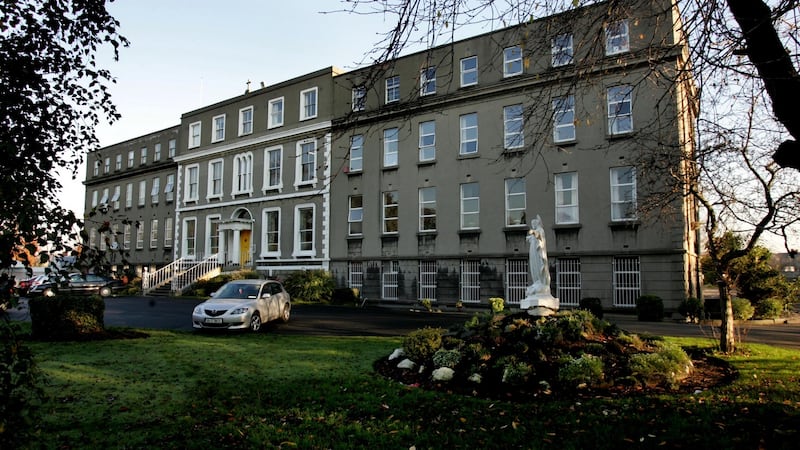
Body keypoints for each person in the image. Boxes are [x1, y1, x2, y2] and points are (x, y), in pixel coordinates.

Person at [526, 215, 550, 294]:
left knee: (538, 265)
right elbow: (533, 238)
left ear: (537, 223)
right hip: (533, 251)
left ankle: (541, 281)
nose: (533, 225)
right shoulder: (536, 230)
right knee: (533, 266)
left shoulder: (540, 230)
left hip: (538, 252)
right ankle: (536, 281)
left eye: (534, 224)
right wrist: (529, 237)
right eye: (532, 224)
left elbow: (539, 236)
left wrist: (533, 232)